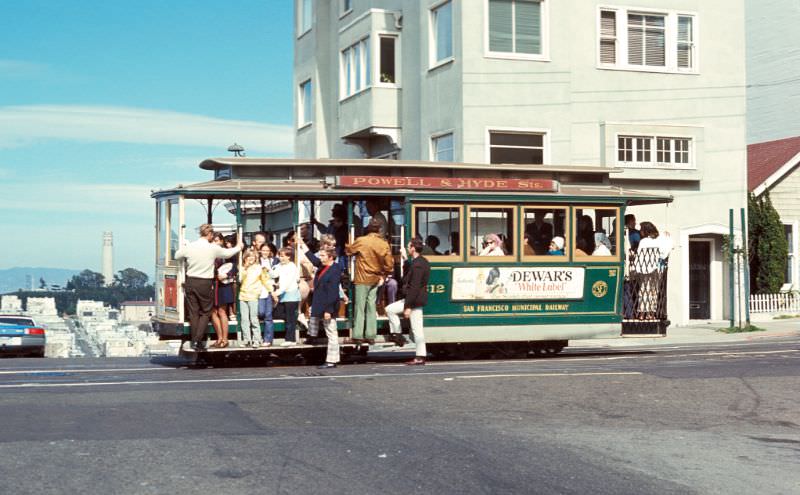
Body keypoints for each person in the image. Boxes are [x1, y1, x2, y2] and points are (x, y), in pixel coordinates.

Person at [174, 224, 242, 351]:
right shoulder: (212, 248)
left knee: (194, 313)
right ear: (210, 234)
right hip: (205, 282)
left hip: (191, 281)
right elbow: (228, 254)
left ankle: (195, 340)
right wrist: (239, 247)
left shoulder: (190, 247)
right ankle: (197, 340)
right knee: (206, 312)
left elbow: (177, 255)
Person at [345, 218, 394, 345]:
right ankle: (371, 334)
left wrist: (348, 243)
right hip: (376, 278)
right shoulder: (384, 243)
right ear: (379, 230)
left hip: (362, 278)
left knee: (360, 307)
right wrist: (384, 274)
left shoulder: (362, 241)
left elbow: (349, 251)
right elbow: (389, 264)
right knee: (371, 306)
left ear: (368, 228)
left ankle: (358, 335)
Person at [386, 238, 431, 365]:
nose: (407, 248)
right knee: (390, 310)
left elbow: (414, 287)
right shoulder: (420, 262)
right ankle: (398, 335)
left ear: (413, 248)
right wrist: (405, 260)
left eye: (408, 246)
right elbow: (408, 277)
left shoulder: (418, 265)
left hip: (414, 301)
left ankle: (420, 355)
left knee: (417, 329)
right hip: (415, 300)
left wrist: (408, 306)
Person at [301, 244, 344, 368]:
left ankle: (332, 360)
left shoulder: (335, 270)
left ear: (330, 257)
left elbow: (333, 293)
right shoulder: (323, 266)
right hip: (319, 303)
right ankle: (312, 336)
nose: (320, 257)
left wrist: (328, 310)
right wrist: (302, 245)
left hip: (328, 305)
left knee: (331, 332)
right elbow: (313, 259)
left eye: (323, 255)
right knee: (314, 320)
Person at [270, 247, 301, 346]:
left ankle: (290, 340)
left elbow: (286, 284)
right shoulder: (279, 265)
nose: (281, 258)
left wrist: (276, 293)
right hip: (284, 296)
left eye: (283, 256)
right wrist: (267, 269)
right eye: (280, 256)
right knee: (277, 314)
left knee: (289, 319)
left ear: (289, 257)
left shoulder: (292, 267)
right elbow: (274, 274)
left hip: (291, 295)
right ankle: (298, 317)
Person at [210, 233, 236, 348]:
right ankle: (219, 337)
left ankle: (225, 339)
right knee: (212, 312)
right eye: (213, 240)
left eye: (217, 240)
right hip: (212, 284)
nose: (215, 243)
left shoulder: (227, 254)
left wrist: (227, 274)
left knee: (222, 311)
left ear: (221, 241)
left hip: (223, 285)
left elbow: (235, 267)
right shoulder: (209, 253)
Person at [238, 249, 265, 348]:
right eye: (249, 256)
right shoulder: (242, 268)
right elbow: (241, 279)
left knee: (254, 318)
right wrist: (245, 267)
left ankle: (257, 339)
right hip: (243, 296)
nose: (251, 258)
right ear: (245, 258)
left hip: (253, 296)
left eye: (252, 256)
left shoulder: (259, 267)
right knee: (244, 319)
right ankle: (246, 339)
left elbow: (264, 280)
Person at [258, 243, 278, 347]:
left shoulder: (274, 261)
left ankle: (268, 339)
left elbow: (276, 274)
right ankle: (257, 337)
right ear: (260, 251)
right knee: (260, 313)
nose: (265, 252)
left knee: (268, 316)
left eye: (267, 250)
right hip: (259, 290)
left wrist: (269, 269)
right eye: (263, 250)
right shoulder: (257, 260)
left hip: (270, 290)